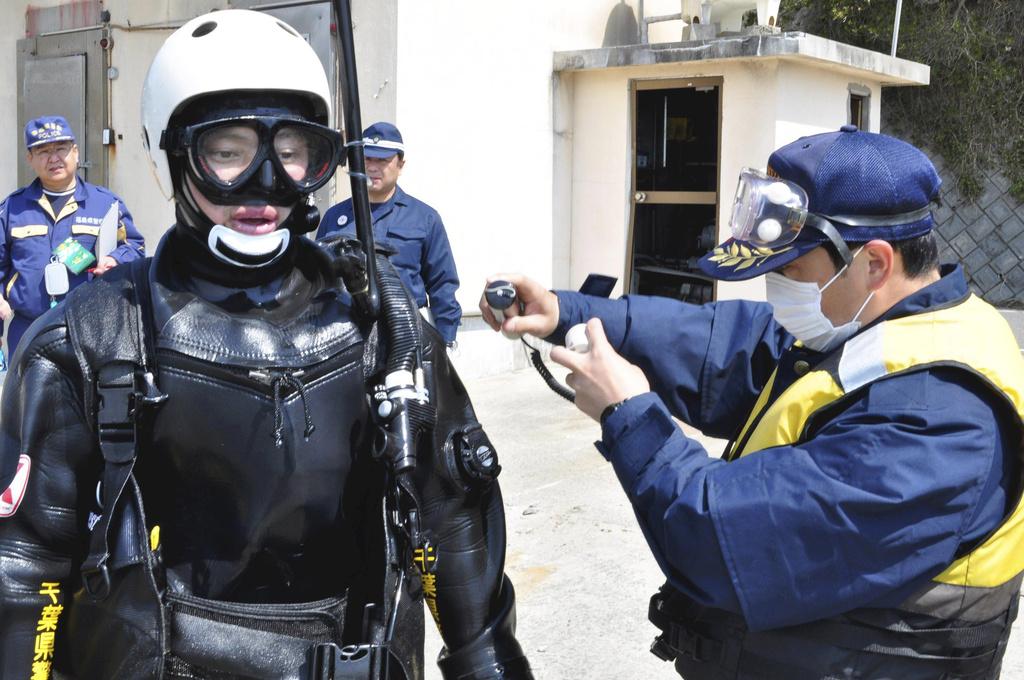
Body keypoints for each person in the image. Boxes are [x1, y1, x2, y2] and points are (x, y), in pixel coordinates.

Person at [0, 10, 531, 680]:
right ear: (173, 156)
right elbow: (24, 568)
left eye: (290, 153)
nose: (263, 187)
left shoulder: (382, 330)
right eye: (227, 151)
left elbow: (452, 529)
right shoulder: (94, 337)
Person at [482, 127, 1023, 679]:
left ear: (876, 264)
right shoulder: (869, 326)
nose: (777, 289)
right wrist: (565, 312)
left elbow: (720, 543)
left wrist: (628, 415)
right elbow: (718, 346)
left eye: (790, 272)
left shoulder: (938, 424)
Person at [0, 115, 146, 356]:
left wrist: (116, 260)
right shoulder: (12, 209)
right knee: (27, 393)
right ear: (30, 158)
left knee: (84, 393)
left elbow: (135, 248)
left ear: (76, 153)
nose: (54, 158)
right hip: (28, 329)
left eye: (61, 149)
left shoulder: (106, 204)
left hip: (87, 328)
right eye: (43, 151)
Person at [316, 122, 462, 346]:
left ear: (400, 164)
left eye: (382, 160)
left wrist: (446, 341)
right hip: (345, 334)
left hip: (407, 332)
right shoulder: (335, 217)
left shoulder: (424, 219)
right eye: (367, 159)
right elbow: (318, 282)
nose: (373, 167)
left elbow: (442, 284)